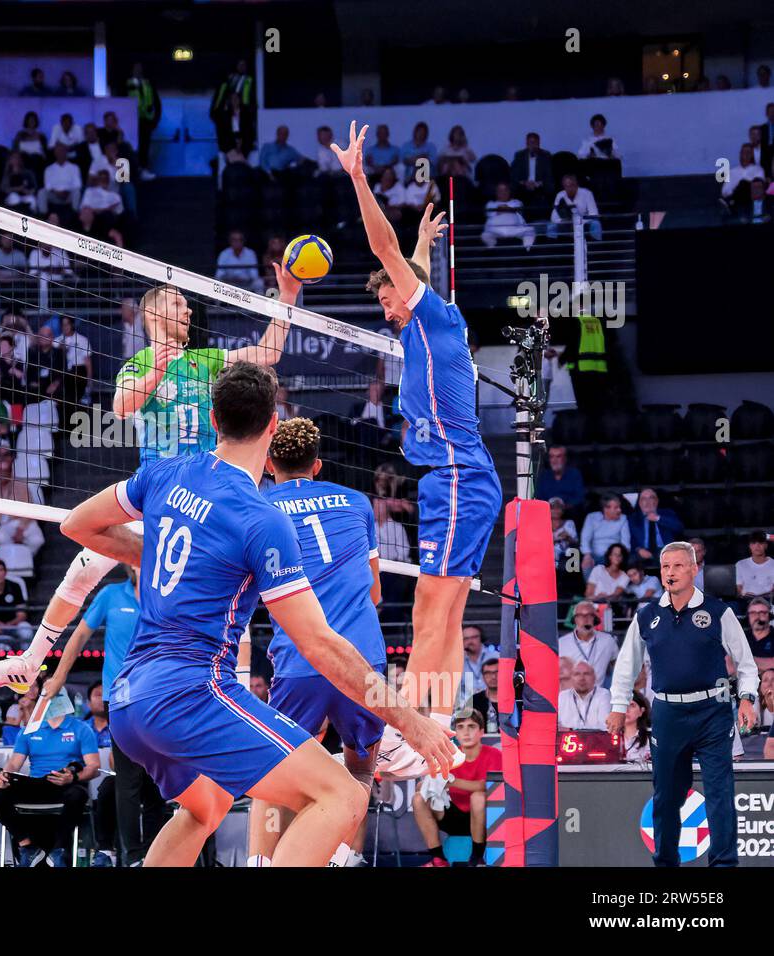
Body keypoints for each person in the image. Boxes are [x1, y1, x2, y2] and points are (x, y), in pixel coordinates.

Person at [58, 361, 455, 866]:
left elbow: (77, 525)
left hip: (129, 702)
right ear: (273, 424)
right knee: (344, 795)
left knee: (207, 807)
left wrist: (163, 553)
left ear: (214, 419)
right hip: (190, 694)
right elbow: (320, 644)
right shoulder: (261, 519)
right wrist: (411, 721)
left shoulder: (166, 472)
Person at [0, 267, 303, 693]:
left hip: (204, 493)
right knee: (84, 567)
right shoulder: (139, 363)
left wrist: (287, 296)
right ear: (152, 313)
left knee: (228, 587)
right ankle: (30, 661)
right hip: (155, 491)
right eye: (177, 302)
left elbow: (267, 354)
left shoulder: (204, 361)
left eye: (187, 304)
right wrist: (156, 372)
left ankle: (236, 690)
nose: (187, 308)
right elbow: (122, 406)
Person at [335, 121, 503, 767]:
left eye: (389, 297)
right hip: (455, 478)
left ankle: (418, 727)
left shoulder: (432, 316)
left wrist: (357, 176)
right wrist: (424, 244)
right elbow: (409, 269)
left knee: (434, 605)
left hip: (456, 476)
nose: (385, 307)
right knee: (444, 603)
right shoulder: (421, 329)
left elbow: (387, 254)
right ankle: (437, 725)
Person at [247, 417, 393, 869]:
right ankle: (340, 859)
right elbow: (375, 593)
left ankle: (259, 863)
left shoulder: (256, 505)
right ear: (318, 465)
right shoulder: (356, 502)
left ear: (269, 464)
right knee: (361, 771)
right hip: (361, 661)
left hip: (299, 661)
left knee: (274, 774)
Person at [608, 541, 758, 866]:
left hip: (713, 713)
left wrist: (747, 698)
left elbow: (745, 663)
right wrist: (619, 705)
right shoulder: (647, 615)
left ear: (694, 569)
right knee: (666, 797)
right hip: (667, 713)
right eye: (665, 567)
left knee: (720, 793)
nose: (671, 573)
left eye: (678, 566)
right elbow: (626, 664)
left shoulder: (720, 612)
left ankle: (724, 865)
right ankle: (665, 863)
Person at [40, 564, 167, 867]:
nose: (140, 562)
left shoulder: (166, 593)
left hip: (158, 697)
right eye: (135, 557)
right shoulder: (111, 594)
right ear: (126, 561)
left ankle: (154, 855)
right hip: (120, 698)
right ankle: (133, 858)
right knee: (127, 779)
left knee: (157, 781)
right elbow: (81, 632)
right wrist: (59, 676)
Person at [0, 685, 101, 867]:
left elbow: (94, 766)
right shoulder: (30, 729)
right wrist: (3, 776)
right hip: (36, 784)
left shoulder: (81, 728)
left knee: (78, 794)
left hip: (65, 783)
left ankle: (59, 850)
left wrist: (73, 777)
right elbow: (14, 763)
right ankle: (27, 846)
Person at [412, 710, 501, 867]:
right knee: (419, 798)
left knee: (478, 797)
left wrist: (449, 781)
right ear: (455, 733)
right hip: (452, 816)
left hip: (484, 818)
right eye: (460, 727)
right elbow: (425, 786)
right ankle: (438, 858)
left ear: (481, 732)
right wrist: (429, 785)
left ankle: (477, 856)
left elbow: (485, 786)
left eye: (471, 726)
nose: (466, 732)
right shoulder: (449, 755)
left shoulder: (494, 754)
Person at [558, 601, 619, 685]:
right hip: (571, 695)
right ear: (575, 619)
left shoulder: (608, 641)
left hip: (598, 695)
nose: (585, 620)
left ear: (595, 619)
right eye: (581, 616)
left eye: (590, 615)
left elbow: (619, 667)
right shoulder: (562, 643)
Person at [559, 661, 612, 730]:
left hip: (596, 740)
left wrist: (571, 729)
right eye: (577, 674)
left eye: (586, 674)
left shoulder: (604, 695)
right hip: (567, 740)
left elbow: (605, 728)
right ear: (571, 678)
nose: (582, 678)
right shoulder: (563, 697)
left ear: (594, 677)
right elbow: (558, 726)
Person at [737, 530, 774, 600]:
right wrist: (743, 594)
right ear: (750, 546)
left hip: (768, 600)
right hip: (747, 601)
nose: (757, 546)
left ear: (766, 545)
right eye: (754, 543)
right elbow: (739, 590)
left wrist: (767, 536)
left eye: (761, 542)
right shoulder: (740, 564)